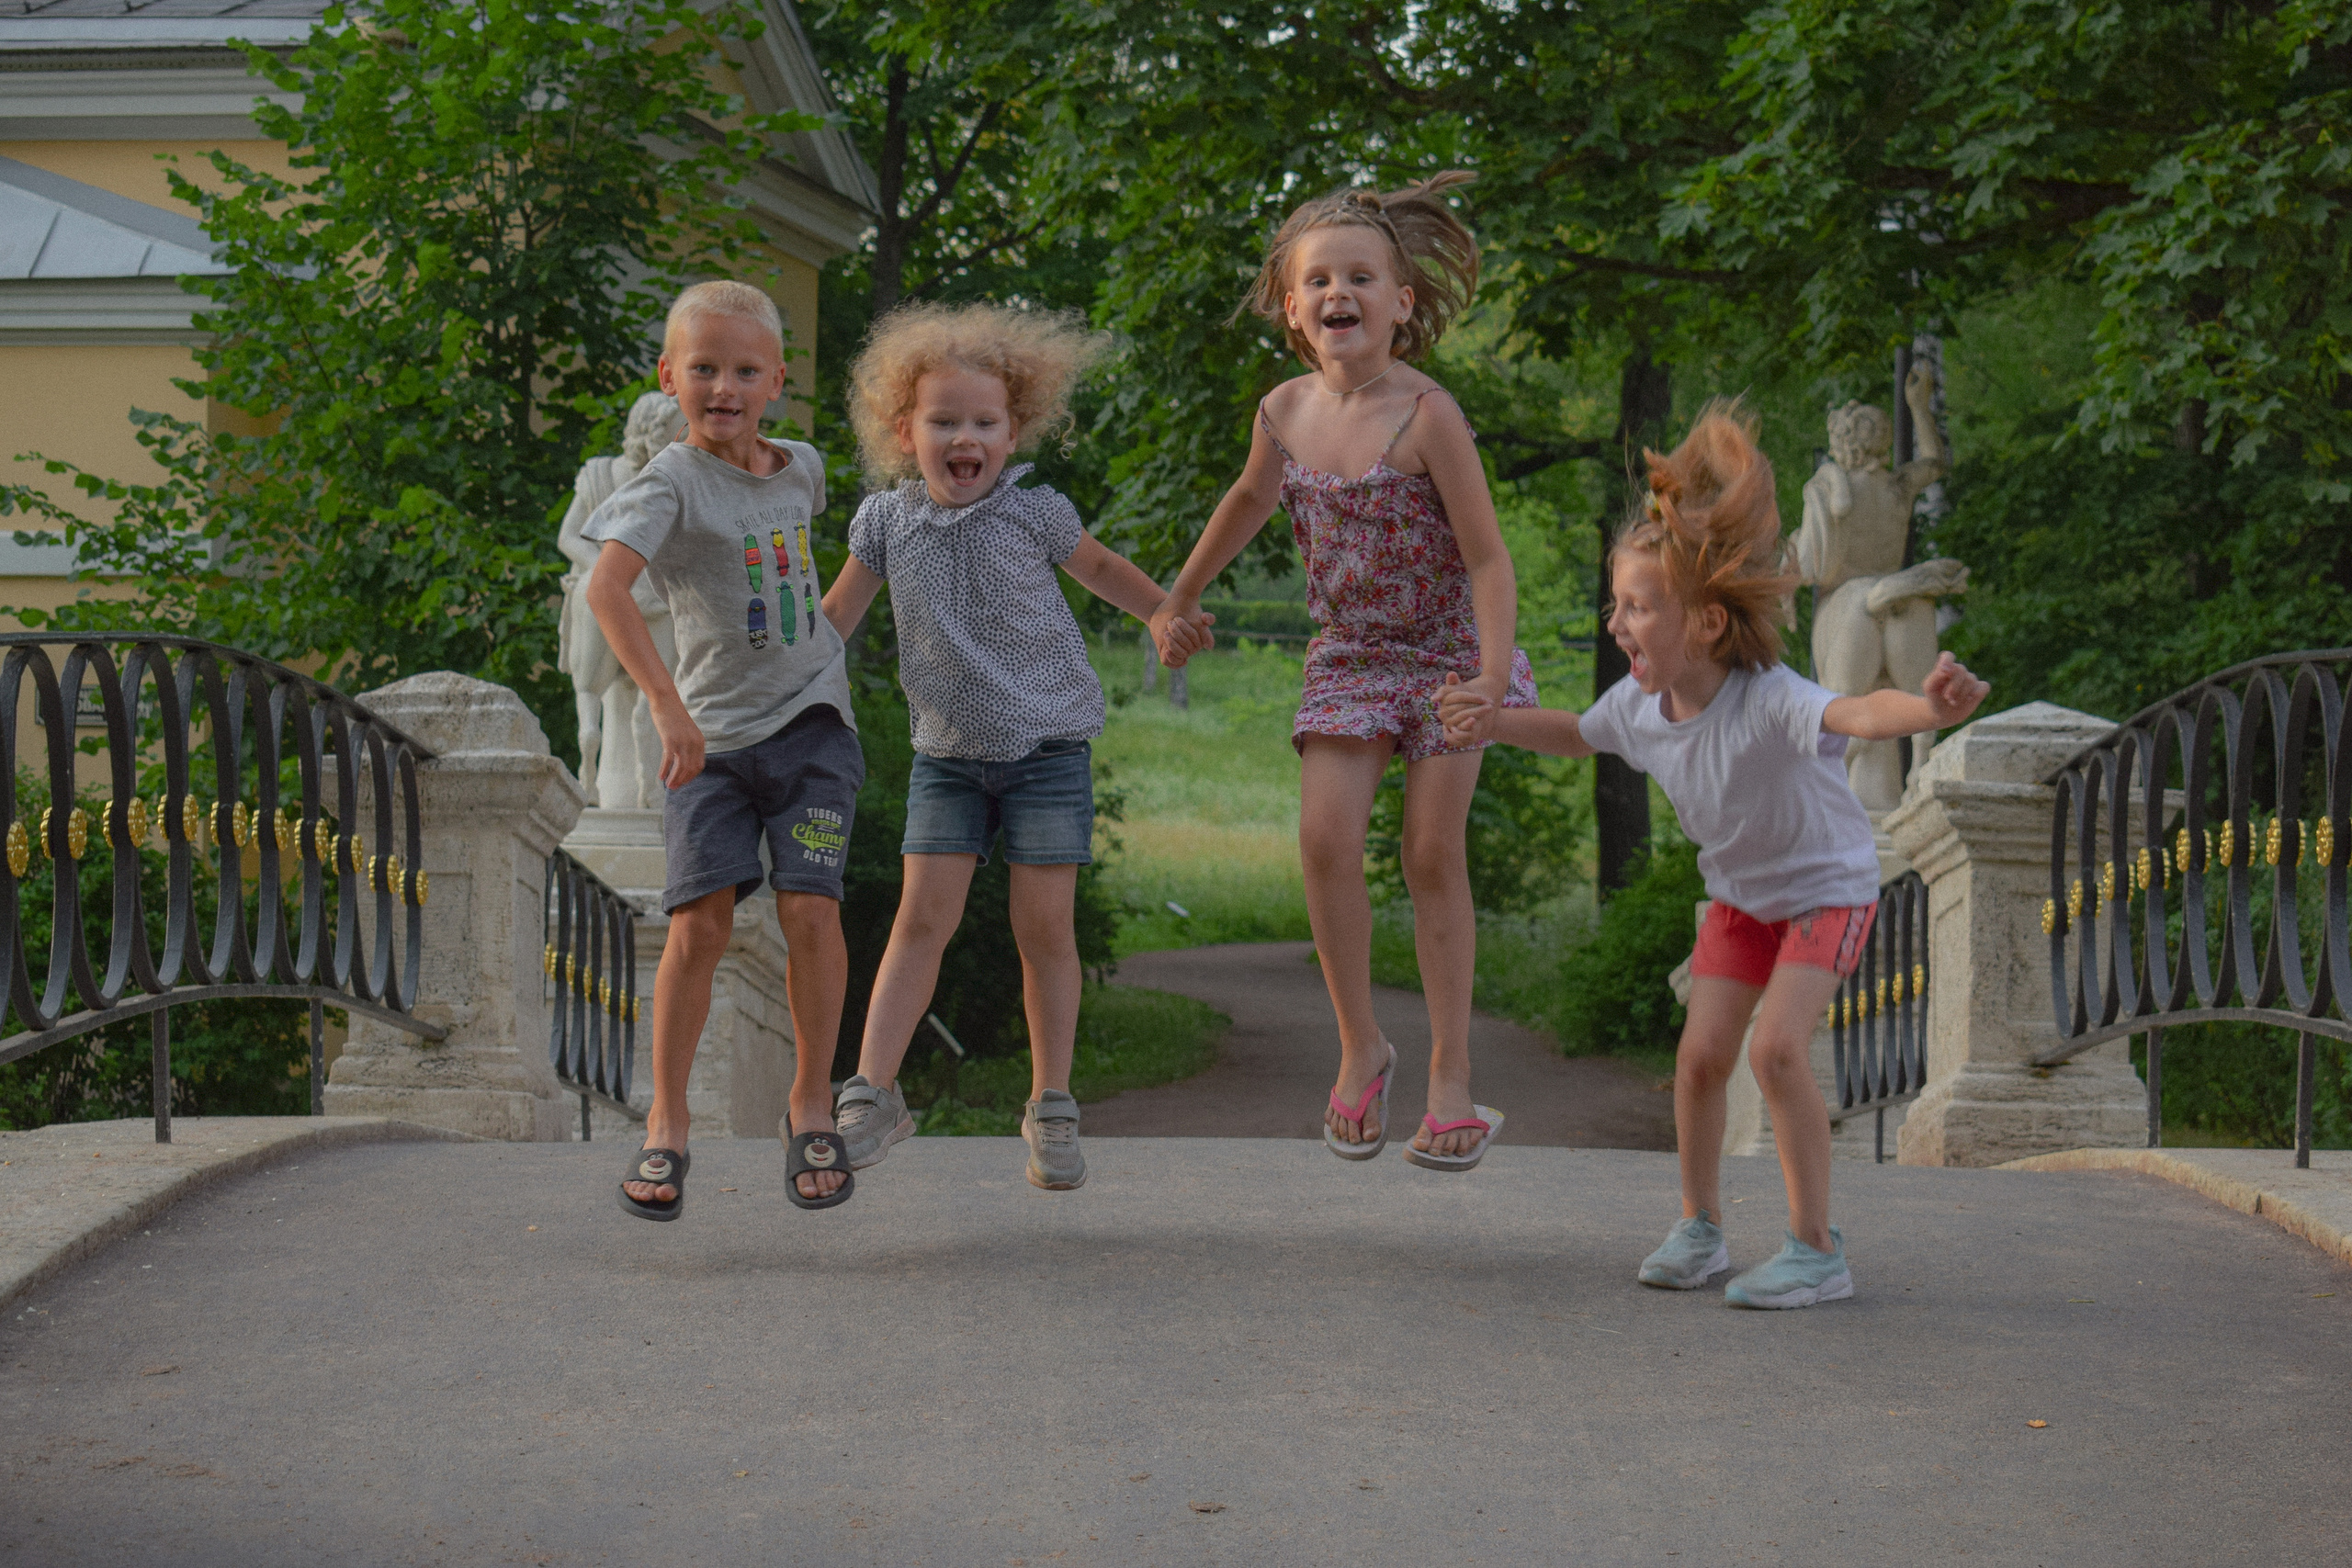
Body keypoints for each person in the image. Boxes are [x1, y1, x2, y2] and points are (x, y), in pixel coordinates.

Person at [1438, 401, 1990, 1307]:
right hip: (1741, 897)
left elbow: (1854, 715)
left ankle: (1817, 1249)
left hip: (1825, 890)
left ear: (1702, 622)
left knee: (1776, 1052)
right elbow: (1576, 735)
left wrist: (1929, 710)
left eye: (1639, 606)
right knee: (1699, 1061)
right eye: (1616, 603)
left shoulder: (1766, 697)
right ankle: (1700, 1230)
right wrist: (1493, 722)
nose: (1619, 623)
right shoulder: (1636, 710)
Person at [1148, 173, 1533, 1171]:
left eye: (1361, 277)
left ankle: (1451, 1079)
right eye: (1318, 280)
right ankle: (1362, 1044)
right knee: (1323, 842)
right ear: (1291, 307)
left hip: (1450, 652)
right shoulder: (1281, 410)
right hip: (1352, 654)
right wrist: (1177, 597)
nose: (1338, 293)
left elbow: (1489, 557)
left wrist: (1491, 679)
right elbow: (1244, 500)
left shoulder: (1430, 414)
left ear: (1402, 303)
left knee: (1429, 855)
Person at [823, 303, 1171, 1191]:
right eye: (945, 421)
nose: (964, 436)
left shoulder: (1034, 511)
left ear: (1014, 433)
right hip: (948, 757)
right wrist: (763, 675)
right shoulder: (884, 523)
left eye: (984, 422)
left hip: (1048, 750)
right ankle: (872, 1093)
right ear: (906, 432)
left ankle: (1051, 1101)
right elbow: (833, 622)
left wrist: (1162, 611)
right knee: (920, 921)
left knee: (1041, 927)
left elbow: (1099, 569)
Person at [585, 279, 862, 1220]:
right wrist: (666, 707)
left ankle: (810, 1104)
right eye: (702, 368)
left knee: (810, 910)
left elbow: (812, 581)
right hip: (710, 742)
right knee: (700, 924)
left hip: (816, 732)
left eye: (745, 370)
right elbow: (607, 591)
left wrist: (823, 648)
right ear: (670, 377)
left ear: (777, 381)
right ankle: (667, 1121)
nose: (724, 387)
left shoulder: (805, 469)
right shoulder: (667, 481)